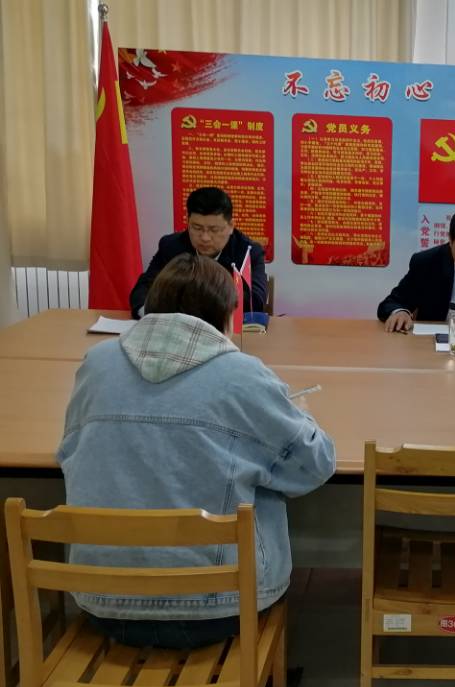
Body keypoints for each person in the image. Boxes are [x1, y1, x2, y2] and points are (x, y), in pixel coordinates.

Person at [60, 254, 335, 649]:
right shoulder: (243, 374)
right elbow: (314, 465)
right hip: (222, 608)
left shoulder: (96, 365)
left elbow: (69, 451)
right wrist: (299, 415)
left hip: (104, 603)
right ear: (225, 316)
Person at [129, 187, 268, 318]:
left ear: (231, 226)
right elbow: (143, 290)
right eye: (197, 228)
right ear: (188, 221)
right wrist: (148, 314)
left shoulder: (248, 252)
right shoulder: (171, 246)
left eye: (214, 230)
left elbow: (255, 302)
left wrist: (188, 303)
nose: (205, 238)